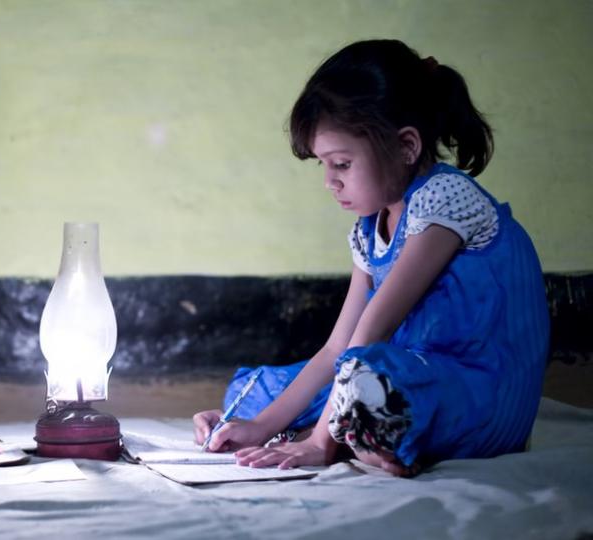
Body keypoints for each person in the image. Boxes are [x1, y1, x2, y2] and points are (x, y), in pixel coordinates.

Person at [194, 39, 549, 477]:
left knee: (370, 380)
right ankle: (367, 435)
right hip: (410, 367)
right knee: (269, 394)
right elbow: (336, 348)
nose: (330, 182)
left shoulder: (445, 200)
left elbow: (371, 333)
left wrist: (317, 444)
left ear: (406, 146)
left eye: (341, 163)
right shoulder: (369, 231)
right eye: (323, 166)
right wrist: (260, 425)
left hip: (477, 391)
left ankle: (360, 433)